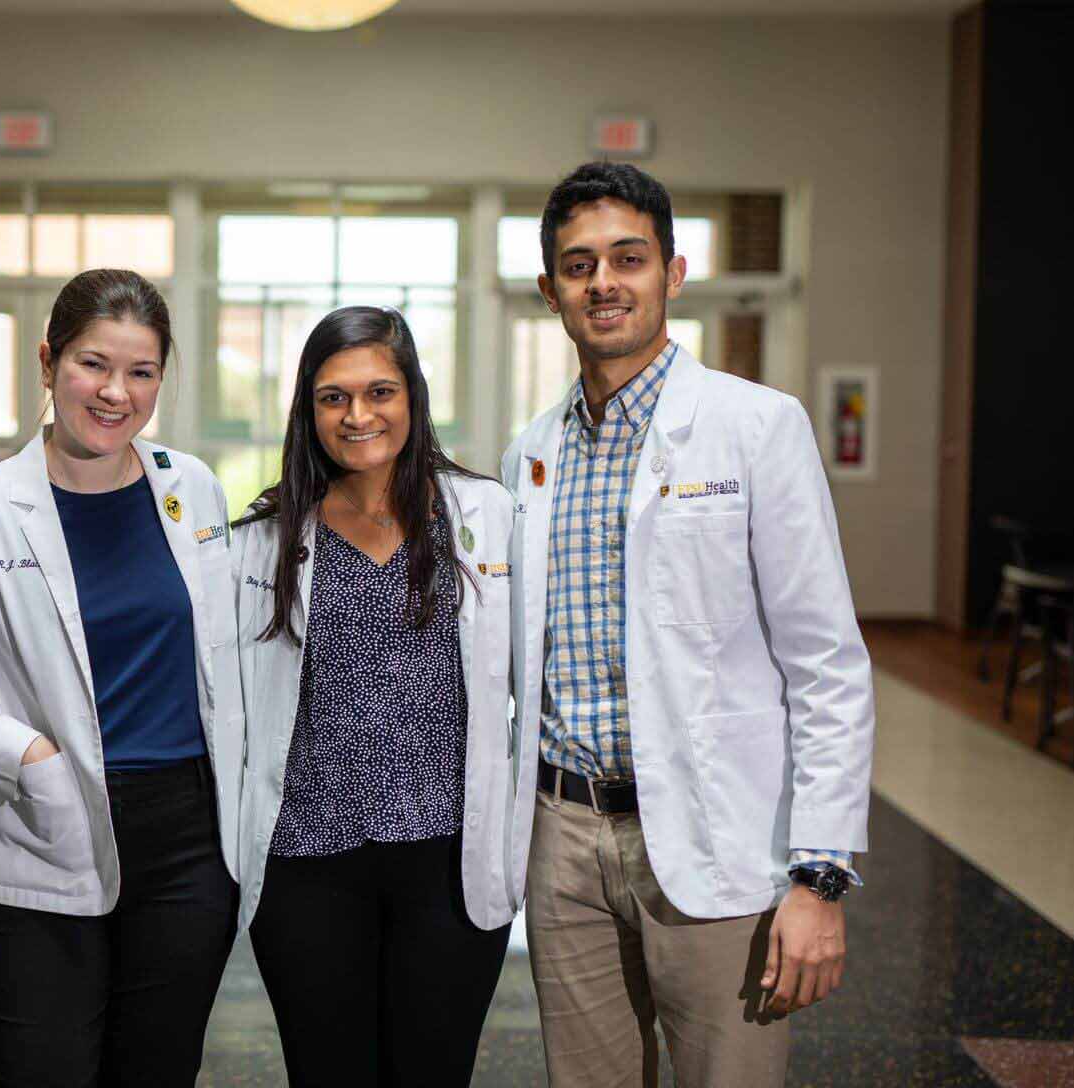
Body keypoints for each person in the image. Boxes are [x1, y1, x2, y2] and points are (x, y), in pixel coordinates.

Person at [501, 161, 874, 1087]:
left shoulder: (756, 428)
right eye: (578, 265)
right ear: (550, 291)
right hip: (562, 841)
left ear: (673, 271)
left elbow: (826, 665)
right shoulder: (528, 454)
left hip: (714, 836)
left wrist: (819, 876)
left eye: (627, 258)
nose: (603, 282)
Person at [0, 268, 240, 1086]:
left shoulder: (193, 489)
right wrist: (26, 755)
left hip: (186, 842)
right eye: (92, 365)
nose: (116, 393)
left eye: (141, 371)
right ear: (47, 362)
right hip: (48, 827)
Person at [232, 306, 523, 1087]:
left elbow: (530, 677)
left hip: (447, 860)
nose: (358, 415)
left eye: (379, 391)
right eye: (333, 397)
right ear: (308, 410)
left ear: (412, 396)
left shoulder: (483, 516)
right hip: (306, 863)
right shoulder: (263, 540)